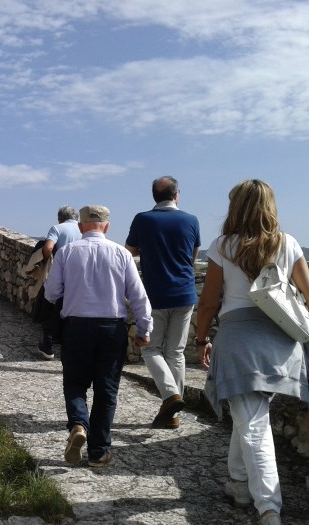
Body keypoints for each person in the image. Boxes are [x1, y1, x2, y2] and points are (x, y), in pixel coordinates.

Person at [196, 180, 309, 525]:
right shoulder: (289, 243)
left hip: (239, 343)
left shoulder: (223, 245)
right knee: (249, 416)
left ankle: (269, 508)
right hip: (281, 345)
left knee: (253, 425)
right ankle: (239, 484)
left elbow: (209, 302)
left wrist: (201, 339)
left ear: (236, 206)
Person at [44, 205, 152, 468]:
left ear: (81, 226)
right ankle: (98, 452)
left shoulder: (67, 252)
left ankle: (79, 424)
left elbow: (51, 292)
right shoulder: (121, 253)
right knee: (107, 390)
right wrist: (144, 329)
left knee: (75, 384)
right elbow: (138, 296)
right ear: (107, 226)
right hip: (111, 328)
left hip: (76, 327)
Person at [125, 176, 201, 429]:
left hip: (156, 294)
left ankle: (171, 396)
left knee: (151, 349)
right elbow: (192, 257)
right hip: (185, 293)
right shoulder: (191, 220)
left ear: (154, 197)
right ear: (177, 194)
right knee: (175, 352)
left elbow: (129, 251)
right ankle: (172, 414)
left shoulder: (143, 219)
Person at [36, 205, 81, 360]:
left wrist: (46, 259)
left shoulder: (57, 228)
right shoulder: (83, 230)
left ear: (60, 217)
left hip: (61, 274)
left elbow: (48, 248)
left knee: (48, 307)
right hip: (79, 277)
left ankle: (48, 346)